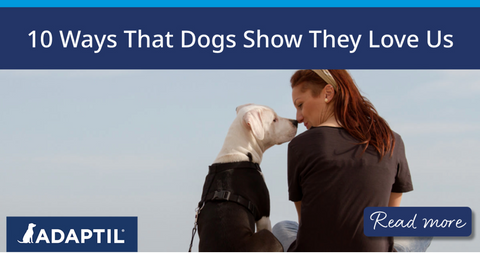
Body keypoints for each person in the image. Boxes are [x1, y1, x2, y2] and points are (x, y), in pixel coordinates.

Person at [272, 70, 432, 252]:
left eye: (300, 105)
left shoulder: (300, 145)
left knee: (282, 227)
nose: (299, 118)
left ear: (328, 94)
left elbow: (305, 222)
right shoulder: (390, 140)